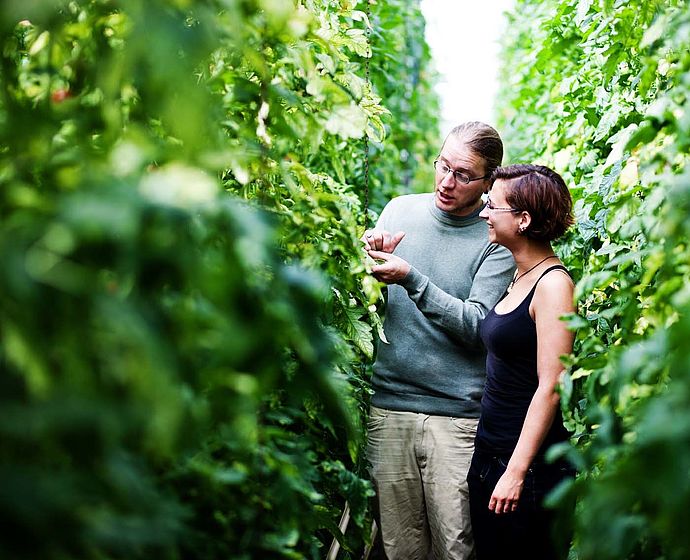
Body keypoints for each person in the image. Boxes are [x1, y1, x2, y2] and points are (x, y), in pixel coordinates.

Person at [362, 122, 515, 560]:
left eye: (464, 175)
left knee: (456, 547)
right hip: (389, 408)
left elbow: (477, 326)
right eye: (443, 166)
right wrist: (368, 265)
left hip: (456, 420)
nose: (447, 182)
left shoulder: (495, 239)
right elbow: (369, 307)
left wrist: (411, 278)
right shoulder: (398, 211)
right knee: (400, 548)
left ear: (489, 181)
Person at [467, 164, 576, 560]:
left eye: (492, 206)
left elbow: (551, 386)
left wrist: (515, 472)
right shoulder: (520, 276)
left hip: (525, 471)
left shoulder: (552, 285)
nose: (484, 213)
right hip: (492, 456)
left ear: (524, 219)